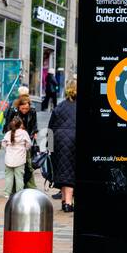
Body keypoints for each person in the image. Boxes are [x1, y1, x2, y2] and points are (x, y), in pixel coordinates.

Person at [48, 77, 77, 211]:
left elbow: (50, 127)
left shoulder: (60, 106)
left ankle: (65, 201)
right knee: (71, 172)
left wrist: (49, 147)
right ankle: (69, 203)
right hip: (74, 140)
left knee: (63, 171)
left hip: (59, 141)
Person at [2, 115, 33, 197]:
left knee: (8, 177)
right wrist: (25, 149)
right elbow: (29, 144)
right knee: (19, 177)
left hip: (8, 159)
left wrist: (7, 150)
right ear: (21, 124)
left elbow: (3, 144)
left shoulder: (8, 133)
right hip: (20, 159)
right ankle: (19, 194)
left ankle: (7, 193)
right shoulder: (24, 133)